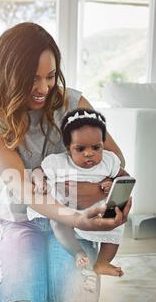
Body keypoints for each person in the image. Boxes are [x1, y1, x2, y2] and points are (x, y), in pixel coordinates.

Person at [0, 22, 131, 302]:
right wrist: (75, 217)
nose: (44, 89)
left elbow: (115, 158)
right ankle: (27, 255)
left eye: (50, 77)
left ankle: (55, 264)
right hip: (24, 221)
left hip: (73, 227)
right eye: (32, 79)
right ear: (10, 76)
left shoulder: (74, 104)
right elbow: (23, 189)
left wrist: (115, 194)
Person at [28, 108, 130, 277]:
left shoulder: (108, 161)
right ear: (68, 148)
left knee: (116, 226)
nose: (89, 153)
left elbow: (124, 177)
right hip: (67, 211)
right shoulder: (58, 162)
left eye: (96, 147)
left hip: (97, 211)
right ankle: (77, 252)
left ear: (103, 144)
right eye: (80, 149)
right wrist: (40, 181)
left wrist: (112, 184)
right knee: (58, 223)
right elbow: (37, 171)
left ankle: (103, 261)